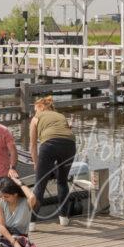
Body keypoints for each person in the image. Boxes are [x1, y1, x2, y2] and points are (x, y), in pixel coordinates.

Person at [30, 96, 77, 228]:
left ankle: (31, 223)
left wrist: (35, 163)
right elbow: (66, 132)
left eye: (35, 109)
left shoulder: (35, 118)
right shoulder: (60, 115)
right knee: (62, 181)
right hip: (69, 144)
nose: (35, 112)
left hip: (49, 144)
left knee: (40, 185)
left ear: (40, 107)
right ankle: (64, 218)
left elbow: (33, 145)